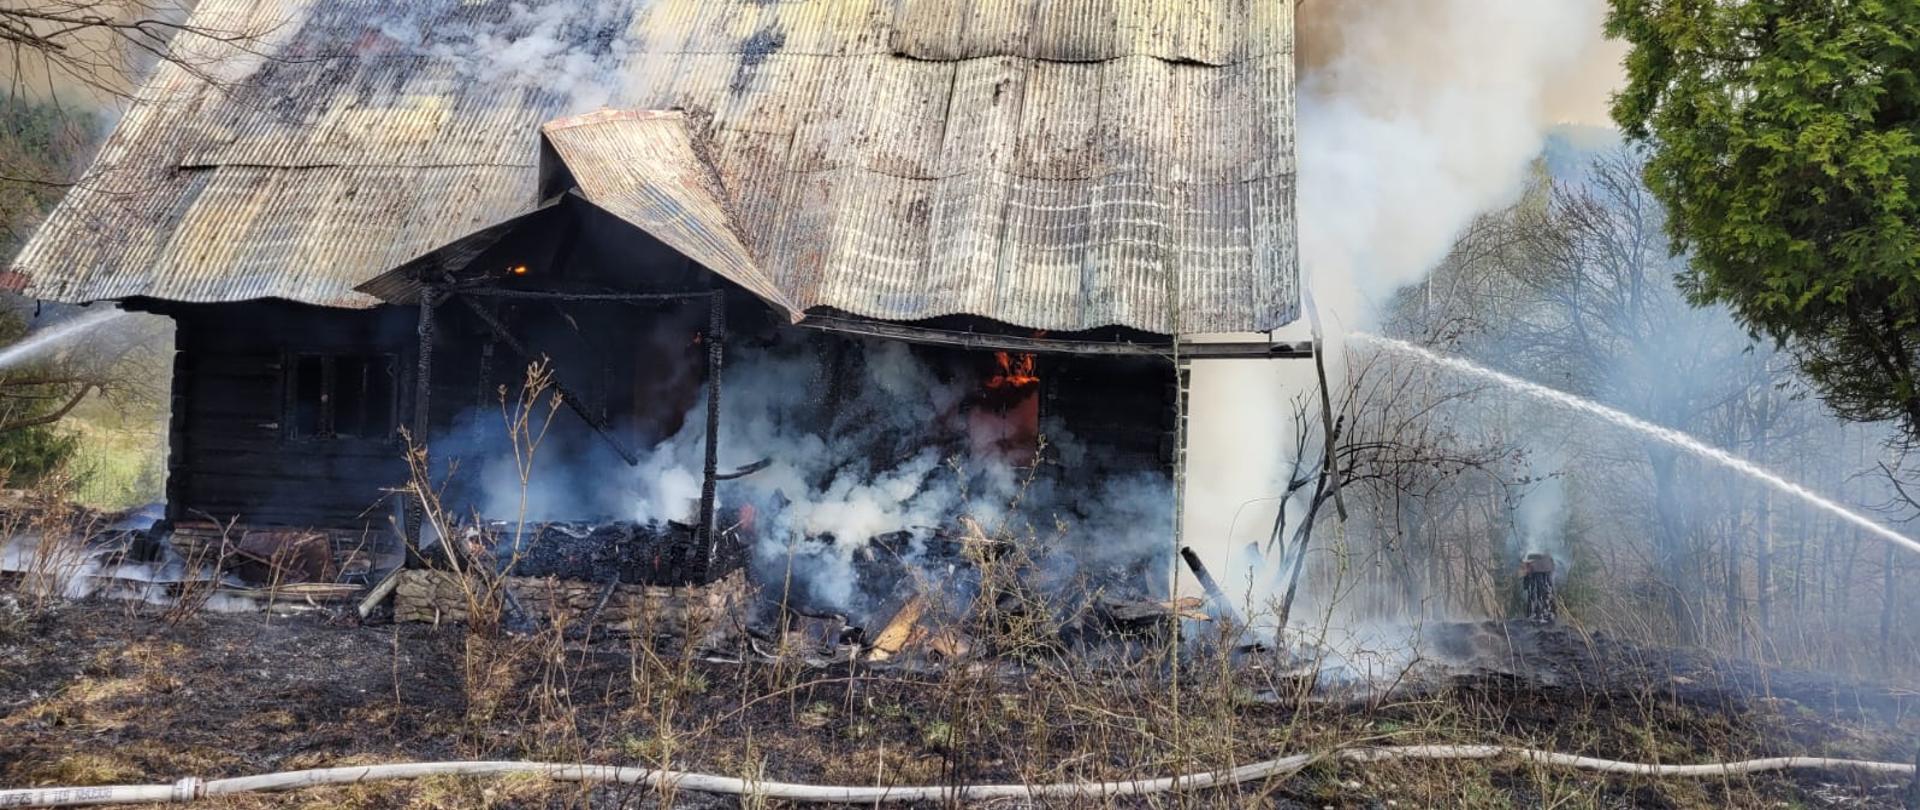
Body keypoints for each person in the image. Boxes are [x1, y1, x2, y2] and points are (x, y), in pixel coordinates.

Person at [1518, 552, 1555, 624]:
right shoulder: (1537, 569)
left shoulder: (1538, 570)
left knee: (1538, 595)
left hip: (1541, 587)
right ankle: (1538, 614)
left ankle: (1540, 614)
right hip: (1541, 583)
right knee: (1536, 595)